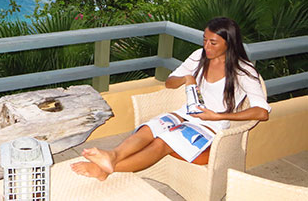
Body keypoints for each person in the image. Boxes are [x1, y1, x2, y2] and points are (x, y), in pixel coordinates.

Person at [71, 17, 271, 181]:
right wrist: (187, 78)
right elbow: (169, 82)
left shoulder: (243, 70)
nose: (206, 46)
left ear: (230, 43)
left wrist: (218, 116)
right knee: (150, 129)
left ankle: (106, 170)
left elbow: (261, 112)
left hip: (211, 128)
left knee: (162, 142)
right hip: (185, 114)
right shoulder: (198, 56)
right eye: (204, 40)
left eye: (213, 42)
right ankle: (112, 156)